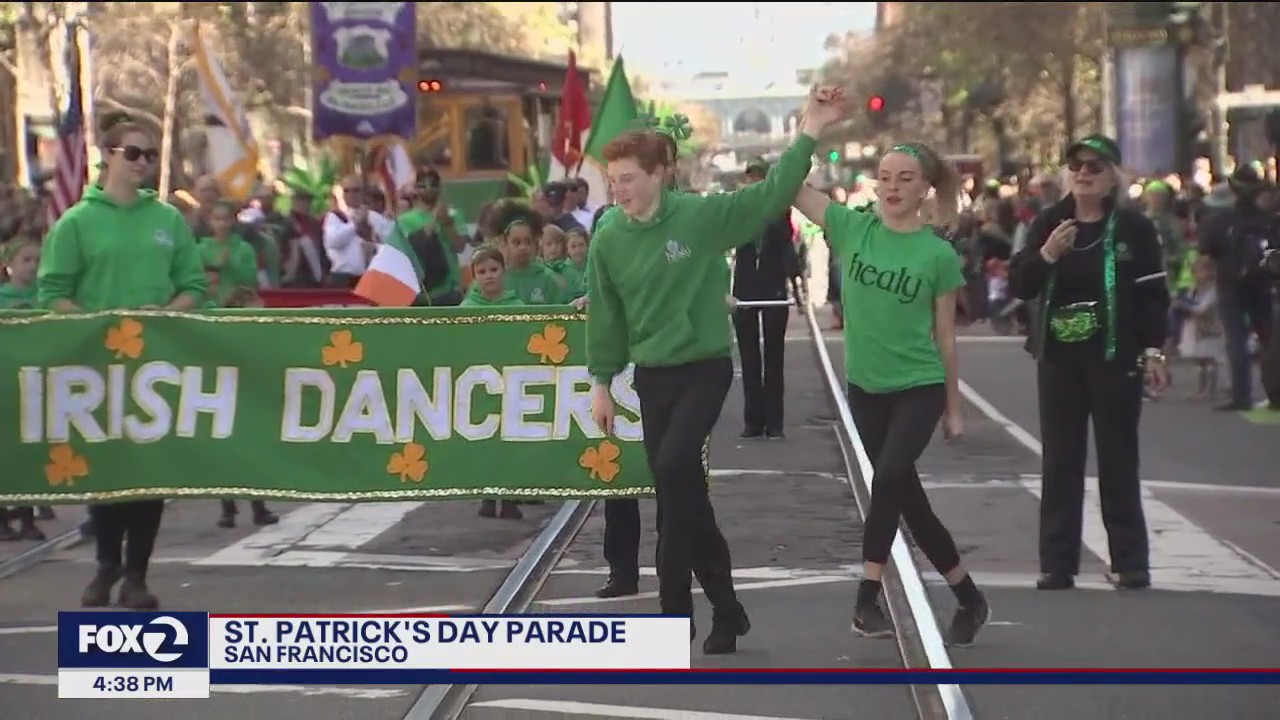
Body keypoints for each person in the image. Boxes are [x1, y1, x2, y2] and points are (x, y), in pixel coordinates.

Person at [586, 85, 845, 654]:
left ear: (660, 174)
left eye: (628, 178)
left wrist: (810, 129)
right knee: (684, 498)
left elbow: (771, 194)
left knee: (677, 472)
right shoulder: (607, 238)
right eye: (613, 180)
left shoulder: (701, 218)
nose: (618, 190)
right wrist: (600, 384)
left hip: (704, 369)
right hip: (651, 377)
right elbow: (605, 315)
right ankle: (728, 610)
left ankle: (674, 618)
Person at [791, 138, 989, 646]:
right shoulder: (853, 228)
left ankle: (866, 597)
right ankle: (968, 596)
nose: (893, 186)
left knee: (891, 477)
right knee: (909, 501)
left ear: (925, 188)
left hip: (918, 385)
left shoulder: (938, 254)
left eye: (906, 178)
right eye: (885, 176)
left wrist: (954, 409)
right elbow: (790, 188)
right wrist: (812, 130)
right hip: (866, 387)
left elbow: (945, 337)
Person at [39, 113, 208, 608]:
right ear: (106, 158)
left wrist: (165, 316)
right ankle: (105, 564)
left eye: (151, 155)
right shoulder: (77, 223)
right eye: (132, 153)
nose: (143, 163)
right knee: (106, 468)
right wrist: (98, 326)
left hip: (155, 365)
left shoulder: (168, 221)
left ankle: (137, 574)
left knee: (149, 471)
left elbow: (193, 287)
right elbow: (53, 293)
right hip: (96, 367)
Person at [1008, 135, 1170, 592]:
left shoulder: (1134, 229)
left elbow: (1154, 296)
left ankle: (1130, 562)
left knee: (1119, 458)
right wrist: (1046, 255)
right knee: (1061, 460)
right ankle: (1057, 564)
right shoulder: (1049, 222)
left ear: (1112, 176)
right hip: (1060, 359)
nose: (1083, 173)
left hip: (1114, 358)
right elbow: (1021, 282)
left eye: (1094, 167)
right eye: (1075, 166)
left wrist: (1154, 349)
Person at [1197, 166, 1276, 411]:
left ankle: (1241, 395)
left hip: (1230, 283)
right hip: (1263, 283)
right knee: (1269, 339)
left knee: (1236, 340)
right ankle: (1275, 392)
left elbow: (1206, 249)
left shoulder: (1221, 219)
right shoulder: (1268, 220)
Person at [732, 158, 799, 439]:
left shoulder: (779, 208)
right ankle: (752, 420)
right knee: (749, 358)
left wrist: (795, 282)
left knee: (774, 356)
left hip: (773, 288)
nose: (755, 181)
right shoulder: (737, 208)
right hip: (746, 288)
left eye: (760, 176)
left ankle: (775, 421)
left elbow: (786, 246)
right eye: (751, 176)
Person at [462, 246, 526, 520]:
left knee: (509, 442)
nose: (489, 276)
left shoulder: (518, 308)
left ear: (504, 272)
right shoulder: (466, 310)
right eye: (482, 272)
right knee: (485, 443)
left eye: (494, 270)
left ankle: (510, 496)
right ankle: (488, 495)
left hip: (510, 387)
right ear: (473, 276)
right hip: (479, 389)